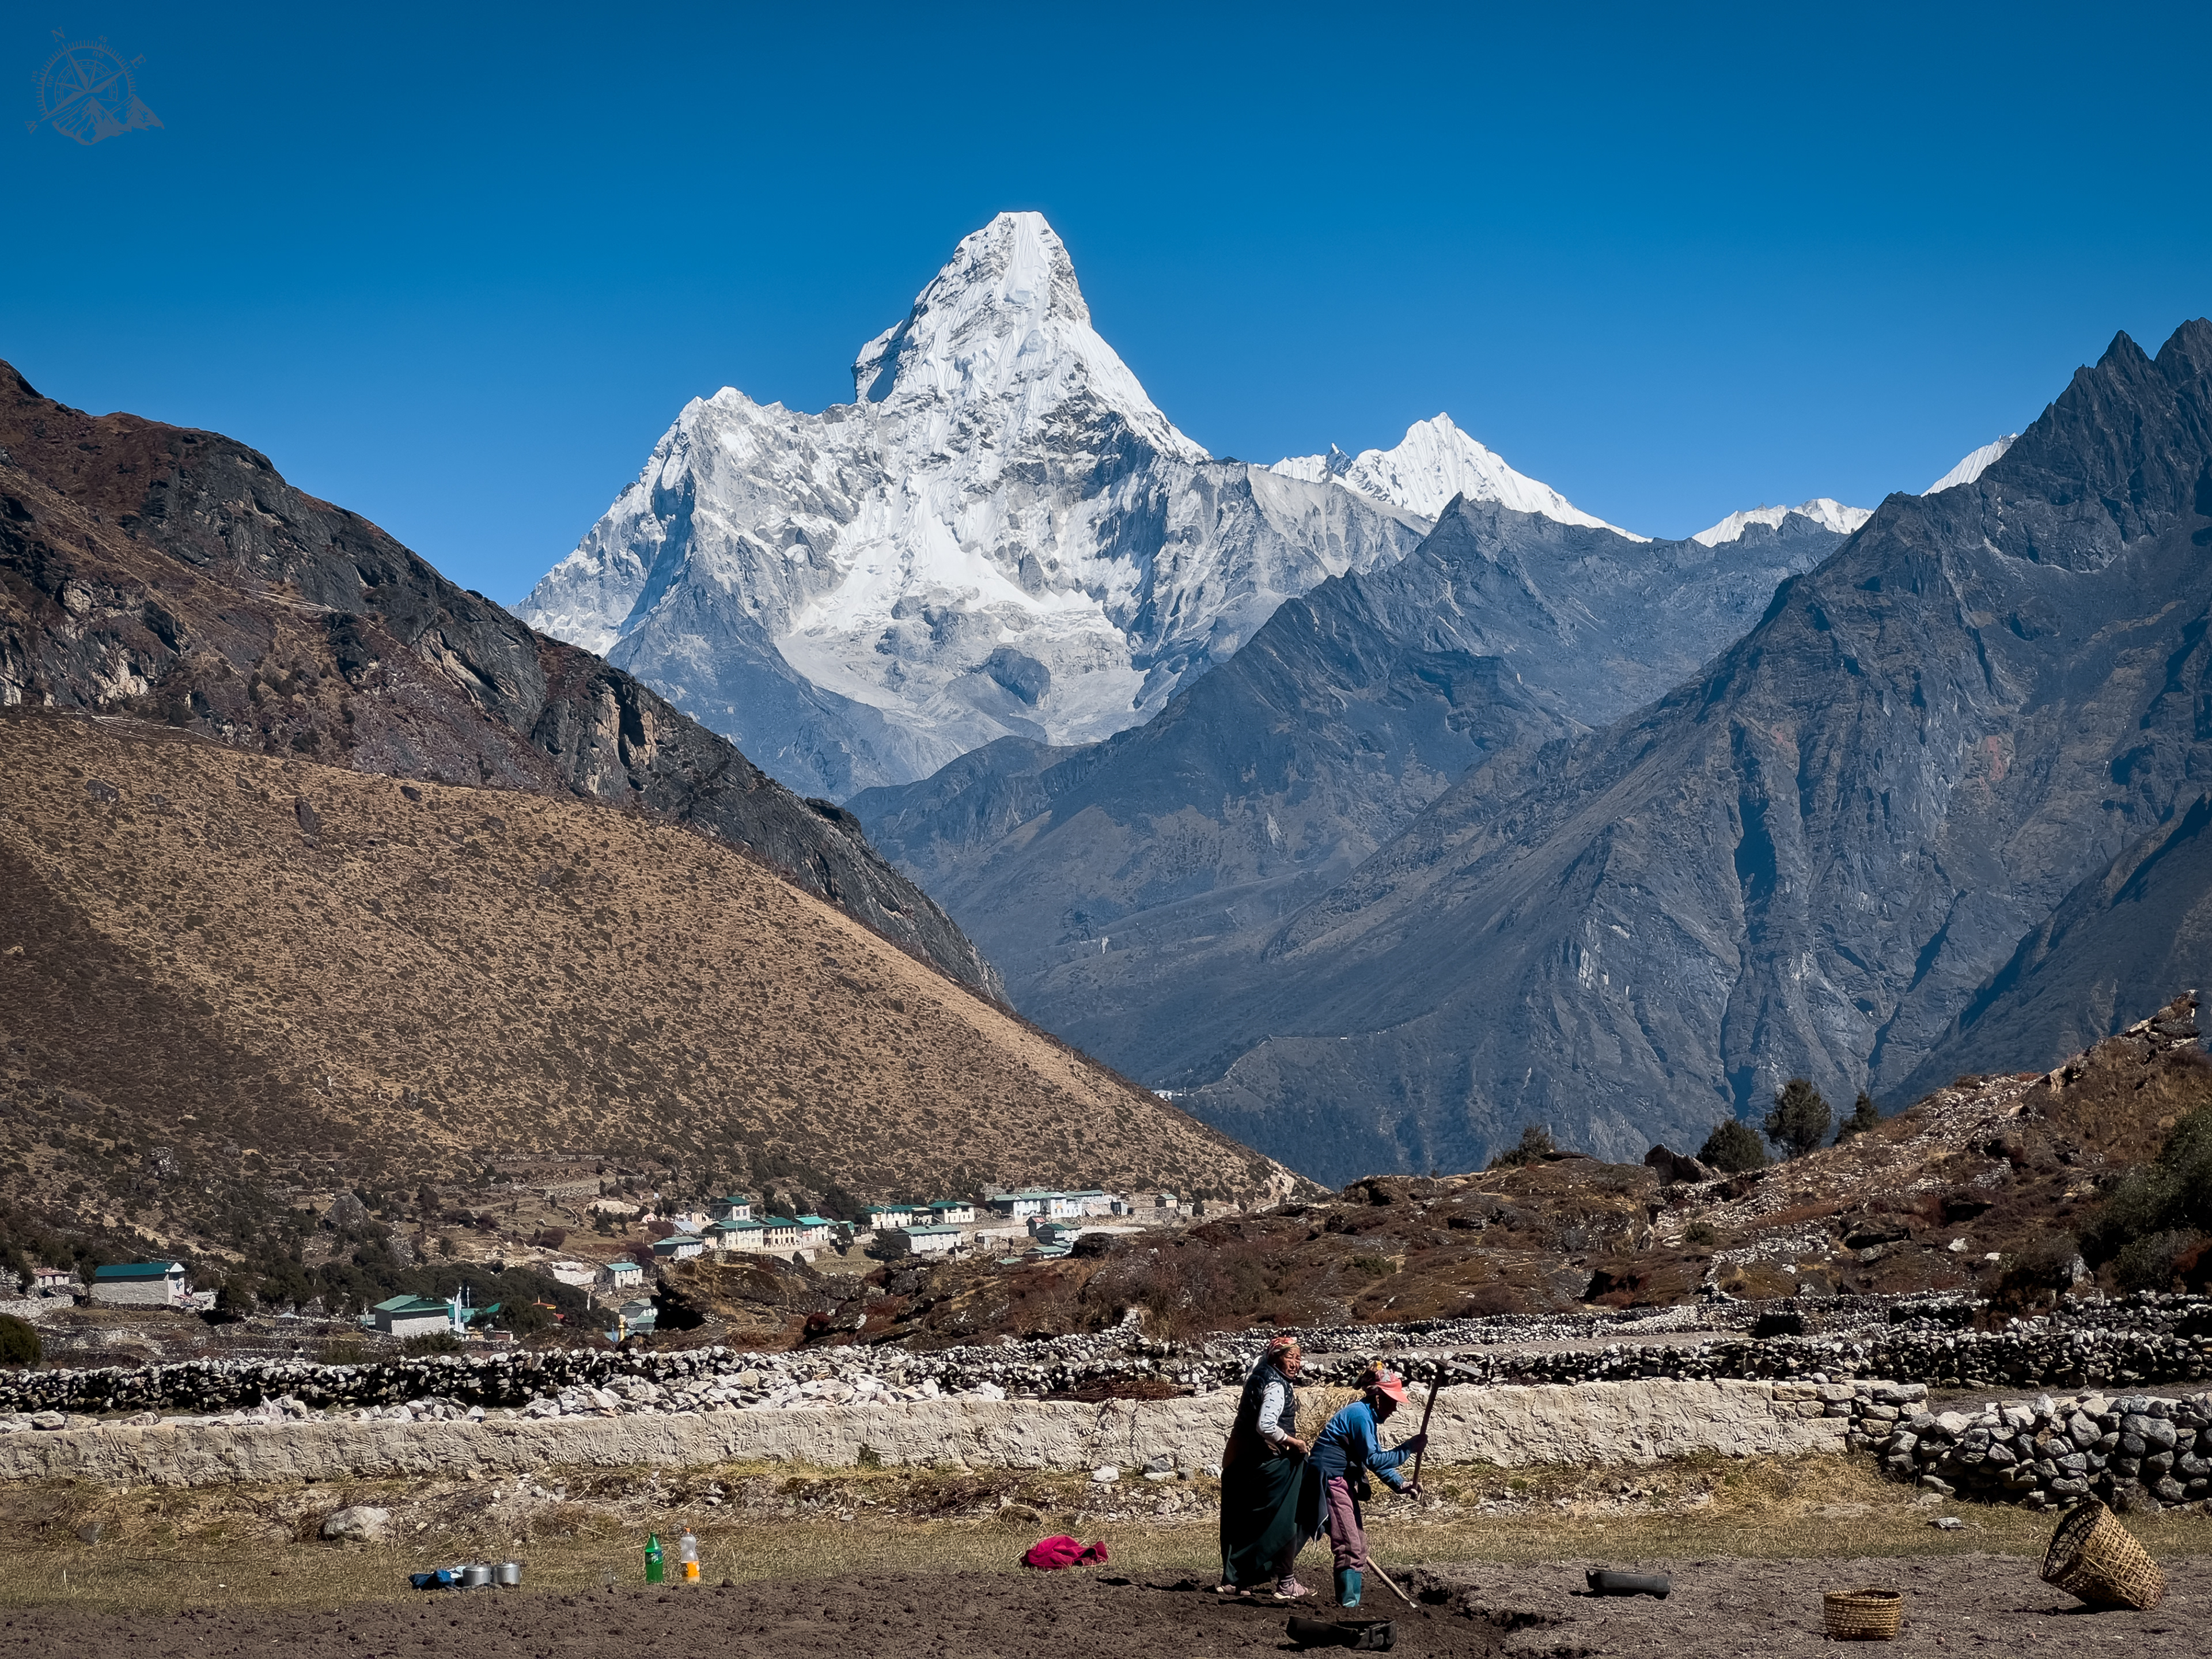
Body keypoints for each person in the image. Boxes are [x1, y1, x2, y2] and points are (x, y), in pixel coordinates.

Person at [1308, 1366, 1427, 1608]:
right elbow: (1374, 1459)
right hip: (1331, 1479)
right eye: (1391, 1402)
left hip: (1342, 1480)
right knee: (1349, 1545)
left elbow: (1371, 1459)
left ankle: (1351, 1602)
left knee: (1359, 1544)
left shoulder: (1366, 1416)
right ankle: (1349, 1606)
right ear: (1377, 1397)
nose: (1394, 1409)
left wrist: (1400, 1483)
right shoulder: (1360, 1416)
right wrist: (1407, 1449)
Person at [1216, 1334, 1322, 1600]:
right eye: (1290, 1357)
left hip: (1242, 1461)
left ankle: (1235, 1581)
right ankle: (1286, 1582)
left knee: (1245, 1523)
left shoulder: (1258, 1373)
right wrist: (1294, 1442)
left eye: (1299, 1358)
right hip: (1269, 1464)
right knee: (1287, 1519)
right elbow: (1265, 1426)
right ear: (1276, 1358)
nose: (1296, 1364)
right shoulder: (1275, 1385)